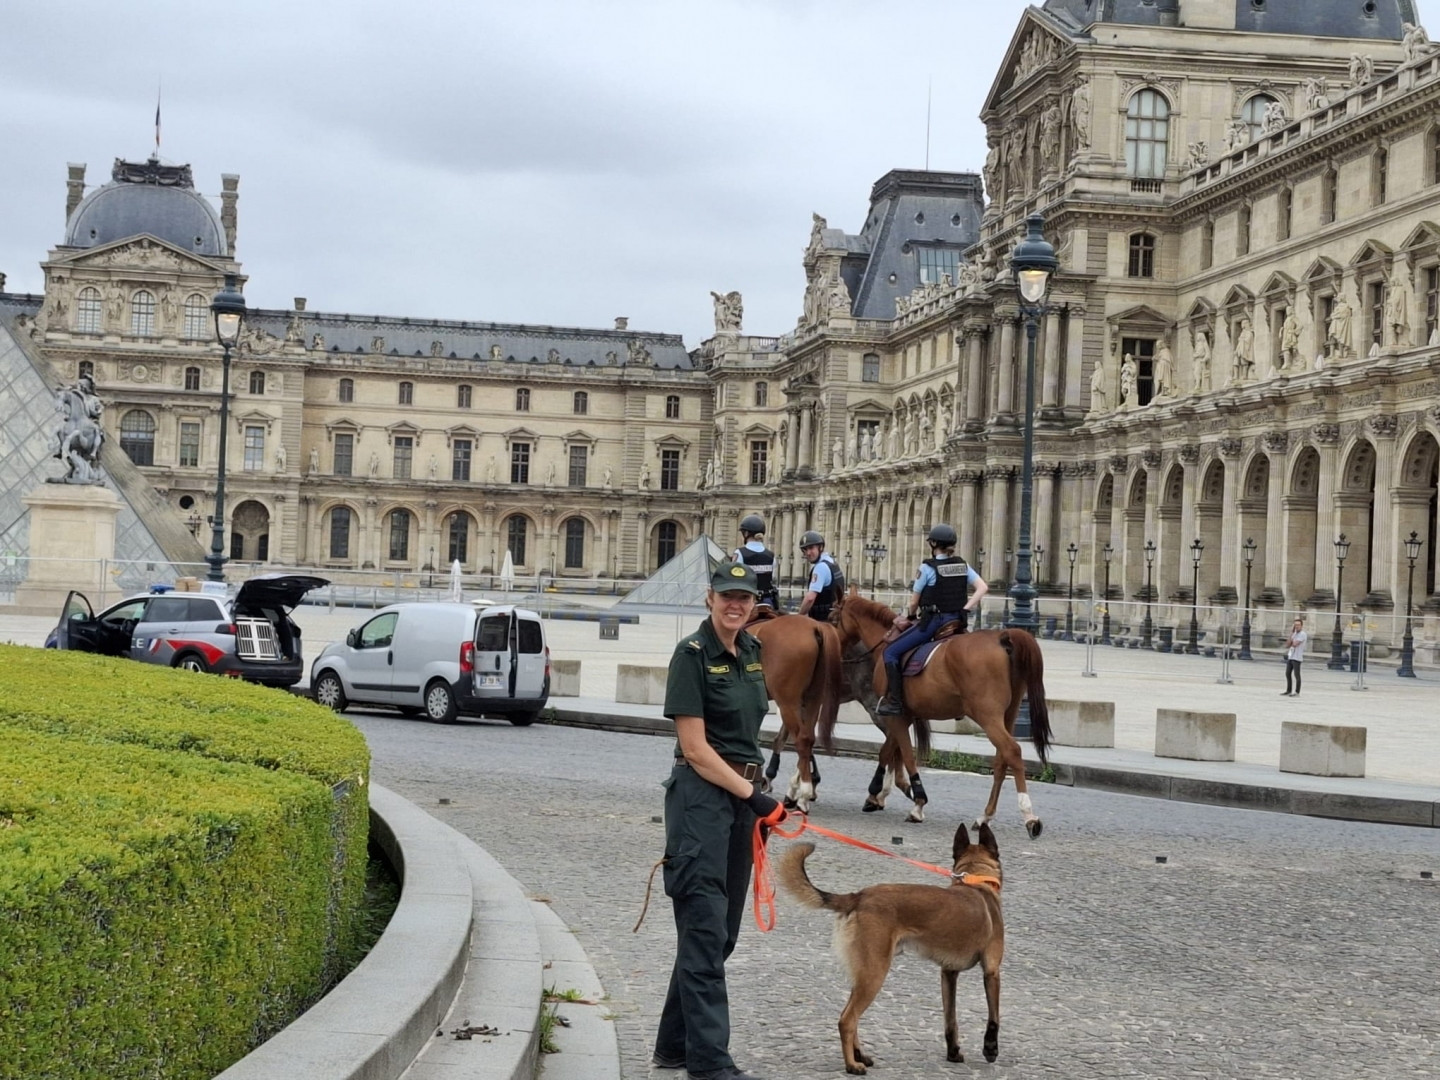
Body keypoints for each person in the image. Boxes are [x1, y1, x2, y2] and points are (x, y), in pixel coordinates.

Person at [652, 561, 783, 1080]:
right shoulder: (690, 656)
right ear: (710, 598)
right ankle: (709, 1064)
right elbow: (696, 749)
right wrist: (754, 795)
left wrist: (765, 797)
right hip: (701, 802)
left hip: (741, 802)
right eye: (727, 596)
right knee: (705, 929)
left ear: (753, 605)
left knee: (719, 934)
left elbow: (747, 740)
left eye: (744, 598)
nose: (735, 605)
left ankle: (672, 1046)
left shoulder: (752, 652)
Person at [877, 524, 988, 716]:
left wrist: (910, 615)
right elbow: (982, 587)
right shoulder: (963, 565)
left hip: (935, 622)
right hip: (957, 622)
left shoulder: (927, 567)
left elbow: (914, 601)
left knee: (891, 652)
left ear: (934, 544)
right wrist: (965, 608)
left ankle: (895, 702)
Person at [795, 531, 846, 623]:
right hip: (836, 618)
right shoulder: (833, 563)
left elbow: (810, 598)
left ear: (820, 547)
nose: (808, 553)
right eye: (805, 550)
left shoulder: (820, 568)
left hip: (823, 621)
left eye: (811, 548)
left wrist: (800, 615)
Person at [732, 514, 779, 609]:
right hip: (768, 601)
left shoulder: (739, 553)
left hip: (748, 601)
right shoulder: (771, 555)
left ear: (746, 534)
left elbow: (734, 579)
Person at [1282, 617, 1308, 697]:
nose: (1297, 626)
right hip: (1291, 656)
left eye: (1298, 625)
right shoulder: (1294, 633)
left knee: (1297, 675)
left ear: (1301, 626)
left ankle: (1297, 692)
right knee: (1288, 673)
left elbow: (1294, 644)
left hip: (1297, 657)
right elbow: (1287, 644)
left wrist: (1291, 642)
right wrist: (1291, 633)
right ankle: (1288, 690)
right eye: (1295, 625)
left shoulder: (1303, 634)